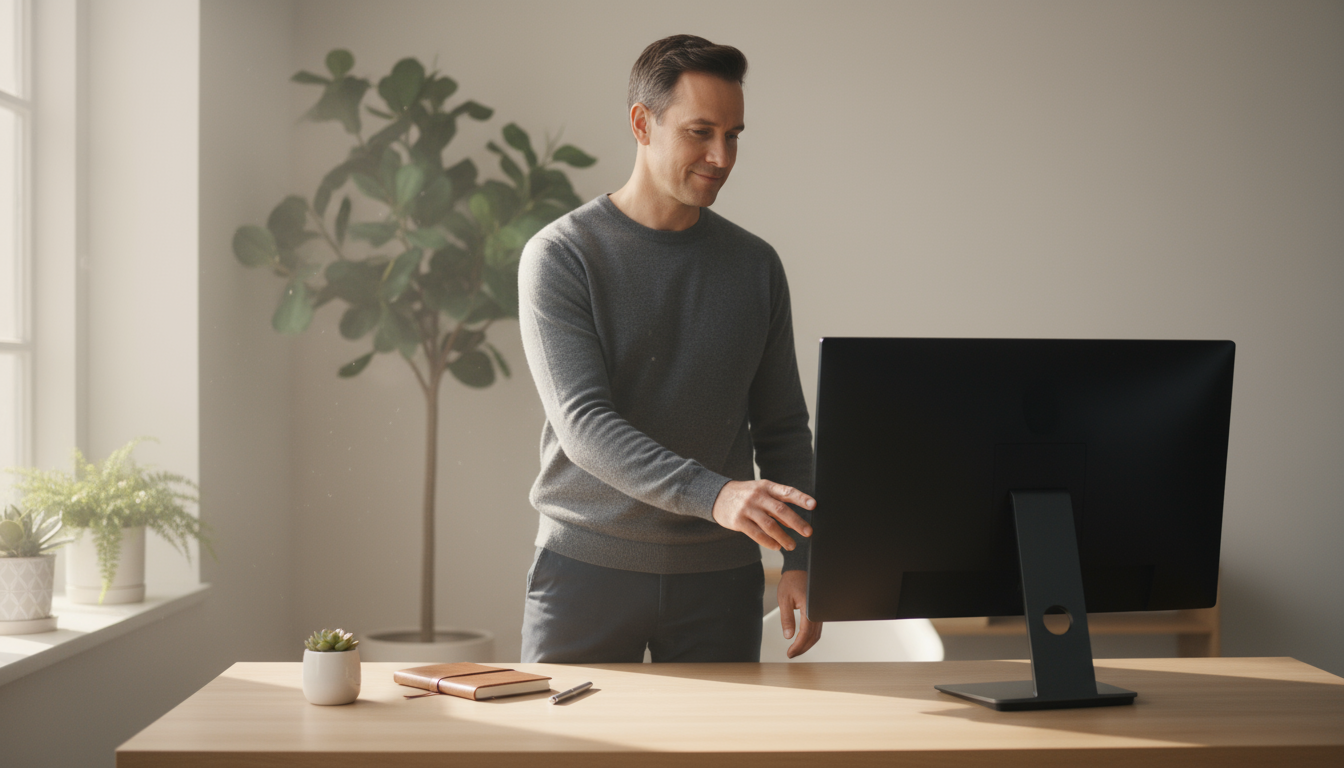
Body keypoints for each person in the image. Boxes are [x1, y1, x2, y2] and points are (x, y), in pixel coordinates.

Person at [518, 34, 821, 663]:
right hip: (585, 572)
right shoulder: (563, 255)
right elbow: (583, 424)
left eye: (733, 135)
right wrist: (717, 494)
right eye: (700, 131)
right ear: (641, 123)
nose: (721, 156)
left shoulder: (755, 266)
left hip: (720, 580)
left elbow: (784, 428)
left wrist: (801, 560)